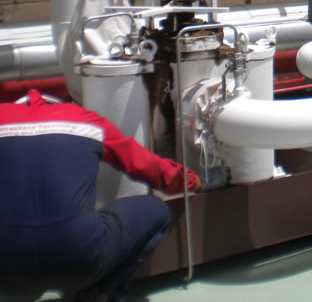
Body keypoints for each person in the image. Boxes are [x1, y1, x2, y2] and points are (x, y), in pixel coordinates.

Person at [0, 89, 229, 302]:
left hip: (7, 272)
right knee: (156, 209)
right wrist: (195, 181)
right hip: (80, 261)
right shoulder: (83, 119)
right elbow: (147, 166)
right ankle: (103, 292)